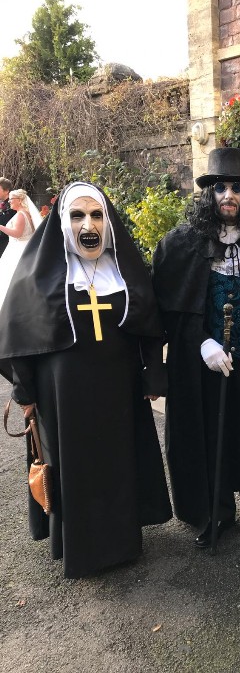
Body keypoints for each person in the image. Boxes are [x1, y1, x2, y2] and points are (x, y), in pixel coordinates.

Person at [0, 182, 172, 579]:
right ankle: (80, 550)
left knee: (117, 461)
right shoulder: (37, 274)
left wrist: (154, 372)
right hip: (62, 395)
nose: (87, 224)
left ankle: (122, 543)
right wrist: (24, 390)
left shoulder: (122, 270)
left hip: (117, 389)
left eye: (96, 215)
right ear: (62, 222)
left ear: (108, 222)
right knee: (72, 466)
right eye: (77, 215)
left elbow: (148, 324)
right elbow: (17, 335)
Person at [152, 147, 240, 548]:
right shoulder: (179, 244)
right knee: (208, 435)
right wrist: (201, 344)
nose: (228, 195)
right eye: (220, 188)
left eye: (236, 188)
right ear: (208, 194)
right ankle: (215, 513)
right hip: (206, 366)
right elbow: (167, 310)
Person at [0, 189, 43, 310]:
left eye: (11, 200)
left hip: (19, 248)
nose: (9, 202)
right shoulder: (26, 213)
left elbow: (17, 234)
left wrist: (1, 227)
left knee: (10, 276)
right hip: (25, 246)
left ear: (19, 200)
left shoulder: (20, 214)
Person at [0, 177, 16, 258]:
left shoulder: (13, 206)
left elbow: (6, 222)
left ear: (6, 191)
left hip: (6, 243)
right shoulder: (2, 203)